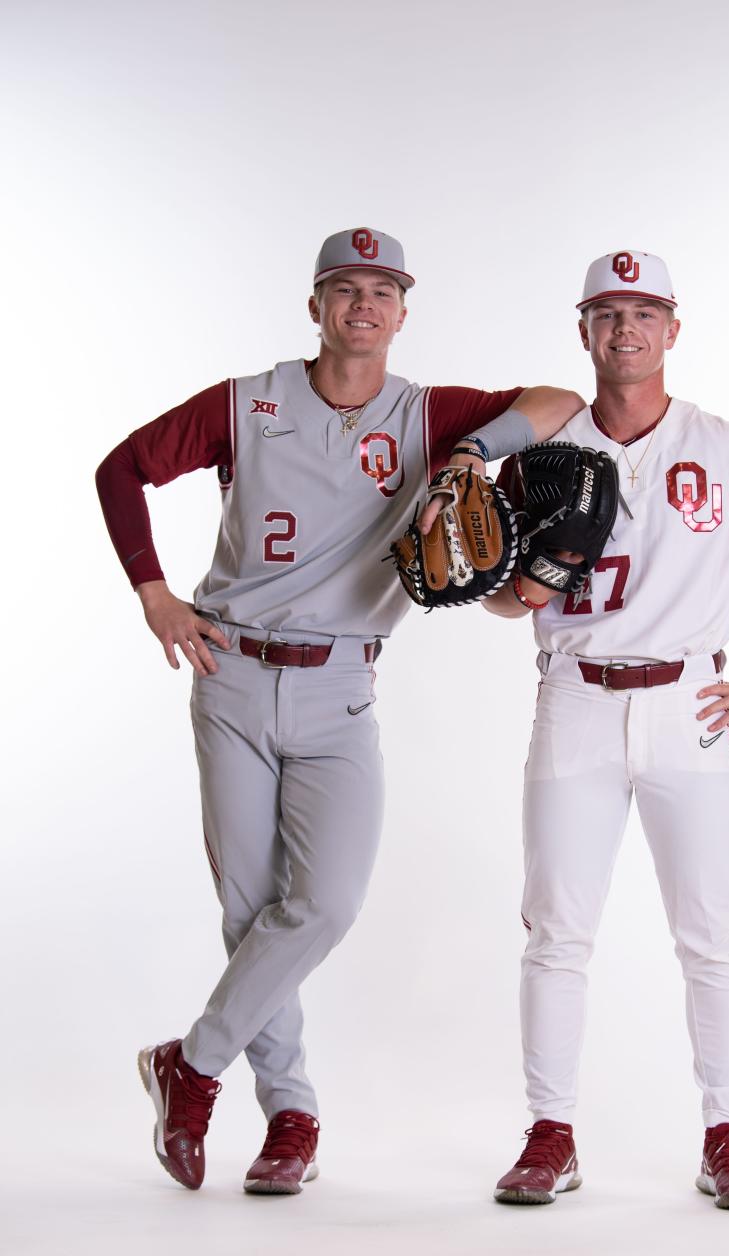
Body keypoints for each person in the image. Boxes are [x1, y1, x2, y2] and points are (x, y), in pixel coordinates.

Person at [96, 227, 583, 1195]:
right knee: (250, 912)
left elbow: (560, 400)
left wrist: (469, 457)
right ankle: (291, 1118)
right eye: (346, 288)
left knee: (323, 903)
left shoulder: (427, 414)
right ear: (314, 305)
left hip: (343, 685)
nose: (365, 305)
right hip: (229, 667)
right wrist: (154, 591)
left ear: (403, 312)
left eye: (384, 290)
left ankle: (188, 1067)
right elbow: (122, 470)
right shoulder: (248, 404)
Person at [484, 250, 729, 1209]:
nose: (625, 330)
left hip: (691, 704)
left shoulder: (728, 446)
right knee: (556, 932)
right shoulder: (542, 456)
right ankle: (550, 1133)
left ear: (673, 330)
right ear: (584, 331)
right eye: (607, 313)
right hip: (577, 700)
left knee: (712, 932)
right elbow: (507, 604)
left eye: (644, 314)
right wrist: (526, 578)